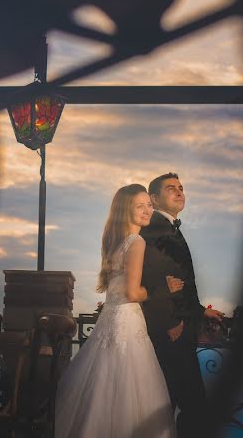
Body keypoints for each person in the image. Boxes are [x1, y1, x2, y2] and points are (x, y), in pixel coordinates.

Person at [55, 184, 185, 438]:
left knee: (103, 391)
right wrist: (162, 287)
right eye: (140, 205)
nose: (148, 210)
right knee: (131, 393)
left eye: (149, 204)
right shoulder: (136, 242)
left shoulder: (115, 244)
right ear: (125, 210)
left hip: (109, 322)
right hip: (127, 325)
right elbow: (133, 293)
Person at [140, 172, 226, 437]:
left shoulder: (169, 227)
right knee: (189, 404)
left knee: (174, 401)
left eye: (180, 187)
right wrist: (170, 322)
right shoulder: (154, 230)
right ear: (153, 199)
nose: (179, 192)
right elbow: (150, 278)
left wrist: (202, 311)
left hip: (181, 325)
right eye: (170, 188)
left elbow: (181, 282)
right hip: (172, 330)